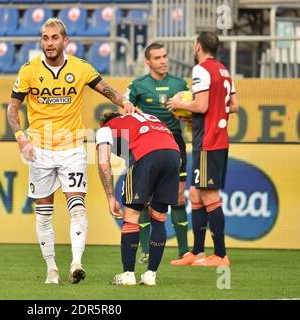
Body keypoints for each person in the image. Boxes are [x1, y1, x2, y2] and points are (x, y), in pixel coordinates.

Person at [7, 18, 138, 284]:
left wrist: (123, 101)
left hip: (72, 148)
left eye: (54, 38)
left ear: (65, 41)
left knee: (77, 207)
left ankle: (76, 263)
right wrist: (21, 138)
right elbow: (12, 108)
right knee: (44, 213)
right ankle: (51, 269)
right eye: (45, 38)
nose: (49, 43)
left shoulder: (79, 68)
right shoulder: (29, 70)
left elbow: (106, 89)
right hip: (40, 150)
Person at [167, 31, 238, 266]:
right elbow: (234, 106)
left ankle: (220, 255)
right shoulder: (224, 70)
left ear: (198, 46)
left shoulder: (201, 69)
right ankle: (197, 253)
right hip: (215, 138)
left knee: (209, 194)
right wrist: (197, 116)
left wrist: (179, 104)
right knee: (197, 193)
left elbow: (202, 104)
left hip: (208, 141)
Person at [96, 111, 180, 286]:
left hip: (147, 155)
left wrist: (111, 197)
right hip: (173, 154)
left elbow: (103, 163)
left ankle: (128, 275)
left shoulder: (106, 128)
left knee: (132, 216)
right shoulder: (145, 119)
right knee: (159, 217)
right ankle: (151, 275)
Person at [125, 43, 190, 264]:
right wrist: (135, 113)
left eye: (165, 56)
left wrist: (186, 113)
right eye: (157, 58)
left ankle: (184, 252)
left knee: (179, 197)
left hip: (174, 141)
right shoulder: (137, 86)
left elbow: (191, 114)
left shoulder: (180, 84)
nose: (163, 61)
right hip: (146, 142)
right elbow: (124, 113)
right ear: (147, 62)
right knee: (143, 199)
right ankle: (145, 250)